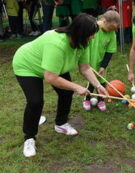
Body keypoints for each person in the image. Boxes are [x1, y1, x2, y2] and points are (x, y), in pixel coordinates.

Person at [12, 14, 108, 157]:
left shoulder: (83, 42)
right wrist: (76, 87)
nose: (93, 37)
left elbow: (85, 68)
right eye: (91, 34)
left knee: (66, 92)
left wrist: (98, 85)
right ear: (80, 33)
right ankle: (29, 138)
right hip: (28, 65)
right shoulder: (56, 44)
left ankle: (60, 124)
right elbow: (50, 78)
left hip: (56, 66)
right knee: (35, 101)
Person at [82, 10, 120, 112]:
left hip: (101, 61)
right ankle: (87, 99)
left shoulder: (112, 33)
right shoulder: (92, 28)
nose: (110, 31)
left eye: (113, 30)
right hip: (88, 61)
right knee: (91, 82)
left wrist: (103, 66)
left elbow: (109, 51)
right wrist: (85, 61)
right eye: (109, 28)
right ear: (104, 21)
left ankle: (101, 100)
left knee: (102, 81)